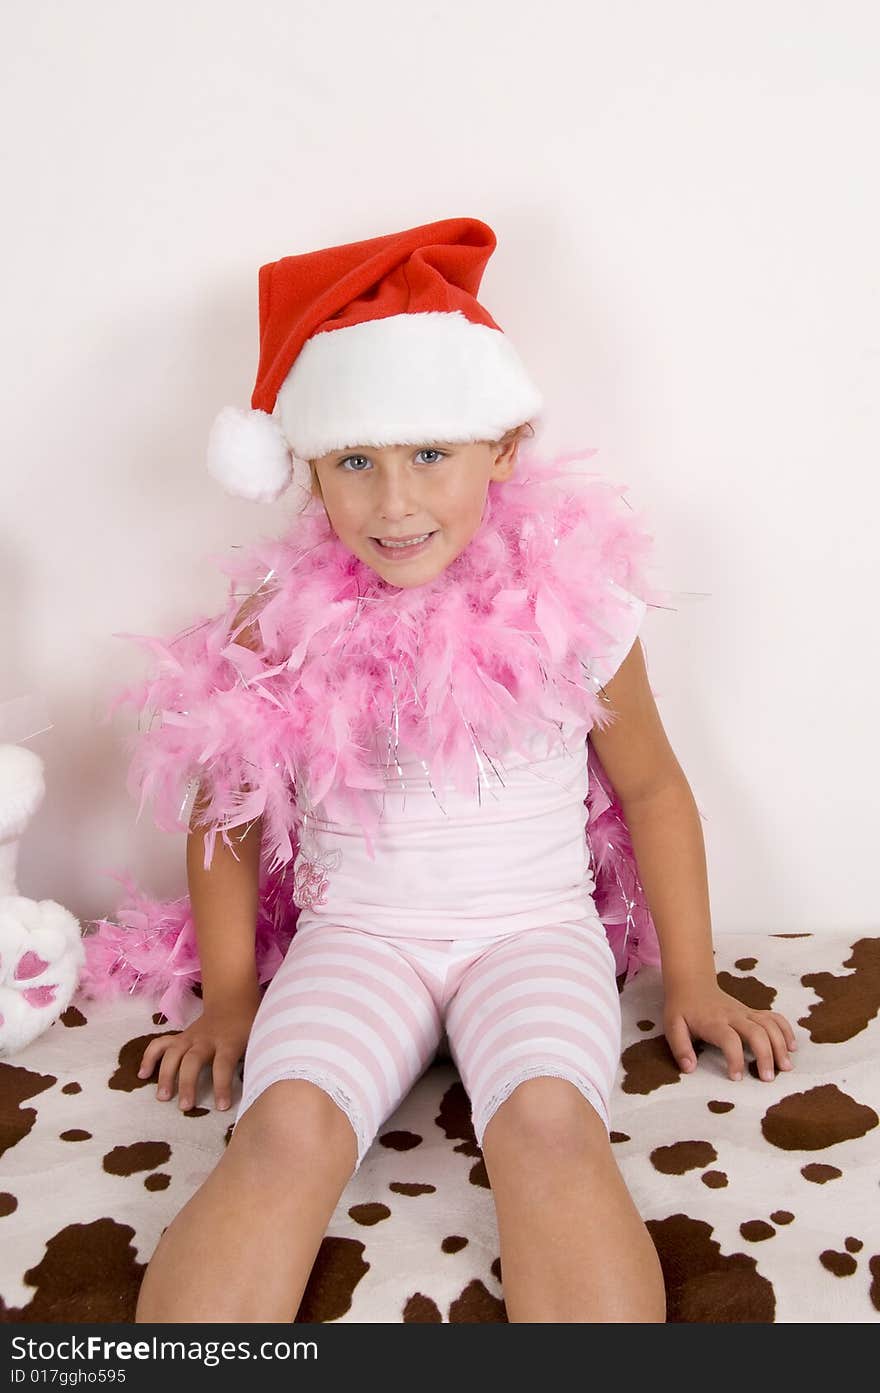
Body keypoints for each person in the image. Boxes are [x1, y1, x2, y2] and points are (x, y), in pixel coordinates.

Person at [111, 217, 796, 1324]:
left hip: (532, 930)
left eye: (429, 453)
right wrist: (233, 996)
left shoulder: (580, 612)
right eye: (355, 462)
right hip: (357, 941)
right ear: (309, 469)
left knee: (549, 1127)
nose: (393, 503)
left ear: (502, 448)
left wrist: (694, 974)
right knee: (283, 1128)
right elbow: (227, 807)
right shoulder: (275, 623)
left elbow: (654, 790)